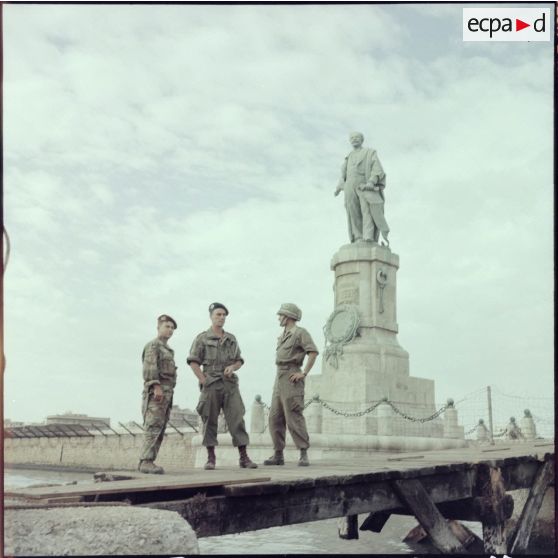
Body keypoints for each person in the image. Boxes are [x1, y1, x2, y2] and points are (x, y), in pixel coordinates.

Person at [187, 303, 257, 470]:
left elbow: (239, 360)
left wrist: (233, 367)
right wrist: (203, 380)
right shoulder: (202, 338)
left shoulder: (231, 338)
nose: (221, 317)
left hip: (229, 384)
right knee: (209, 419)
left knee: (237, 417)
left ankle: (243, 457)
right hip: (211, 383)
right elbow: (193, 361)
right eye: (218, 314)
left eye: (224, 315)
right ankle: (210, 458)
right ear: (211, 316)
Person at [264, 303, 318, 467]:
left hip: (292, 376)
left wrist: (304, 373)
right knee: (275, 417)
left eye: (281, 315)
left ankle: (303, 453)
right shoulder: (283, 335)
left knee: (293, 416)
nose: (279, 318)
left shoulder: (300, 333)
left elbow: (313, 352)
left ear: (288, 317)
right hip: (279, 376)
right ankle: (278, 454)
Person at [138, 314, 178, 474]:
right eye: (167, 326)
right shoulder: (153, 346)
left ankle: (147, 461)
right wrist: (156, 386)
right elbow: (149, 367)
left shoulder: (167, 349)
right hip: (157, 393)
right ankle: (146, 461)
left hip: (167, 394)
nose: (170, 330)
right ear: (158, 327)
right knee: (153, 426)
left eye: (172, 328)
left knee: (159, 428)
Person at [335, 131, 390, 245]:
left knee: (367, 210)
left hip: (363, 184)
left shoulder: (369, 152)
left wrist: (371, 181)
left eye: (357, 137)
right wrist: (339, 187)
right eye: (352, 138)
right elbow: (343, 174)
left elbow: (377, 168)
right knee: (353, 211)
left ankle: (368, 236)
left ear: (362, 140)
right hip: (349, 185)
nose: (354, 139)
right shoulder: (348, 157)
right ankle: (358, 237)